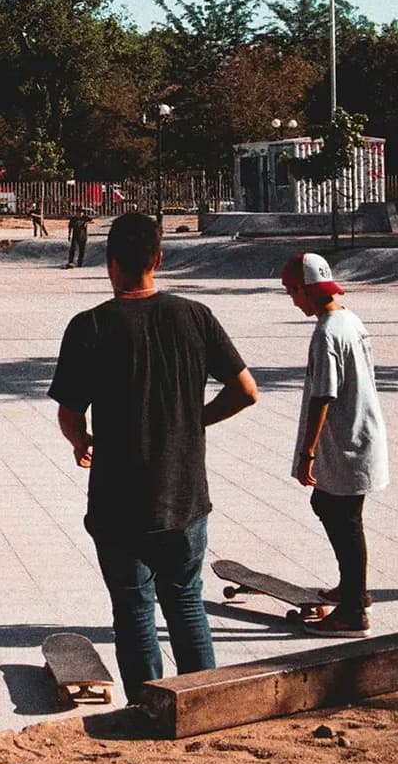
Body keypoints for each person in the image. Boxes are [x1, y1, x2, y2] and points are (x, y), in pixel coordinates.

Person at [49, 212, 259, 703]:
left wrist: (82, 442)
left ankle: (149, 706)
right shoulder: (196, 316)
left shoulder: (90, 326)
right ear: (159, 259)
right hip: (183, 496)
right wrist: (193, 419)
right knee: (187, 604)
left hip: (117, 502)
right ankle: (204, 703)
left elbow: (70, 412)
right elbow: (246, 391)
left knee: (134, 610)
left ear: (111, 263)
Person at [280, 253, 388, 637]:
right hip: (361, 433)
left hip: (347, 440)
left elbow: (323, 396)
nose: (292, 302)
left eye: (291, 294)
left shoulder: (327, 332)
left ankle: (353, 609)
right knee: (336, 509)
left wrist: (307, 452)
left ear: (303, 290)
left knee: (342, 516)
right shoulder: (350, 320)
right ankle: (352, 588)